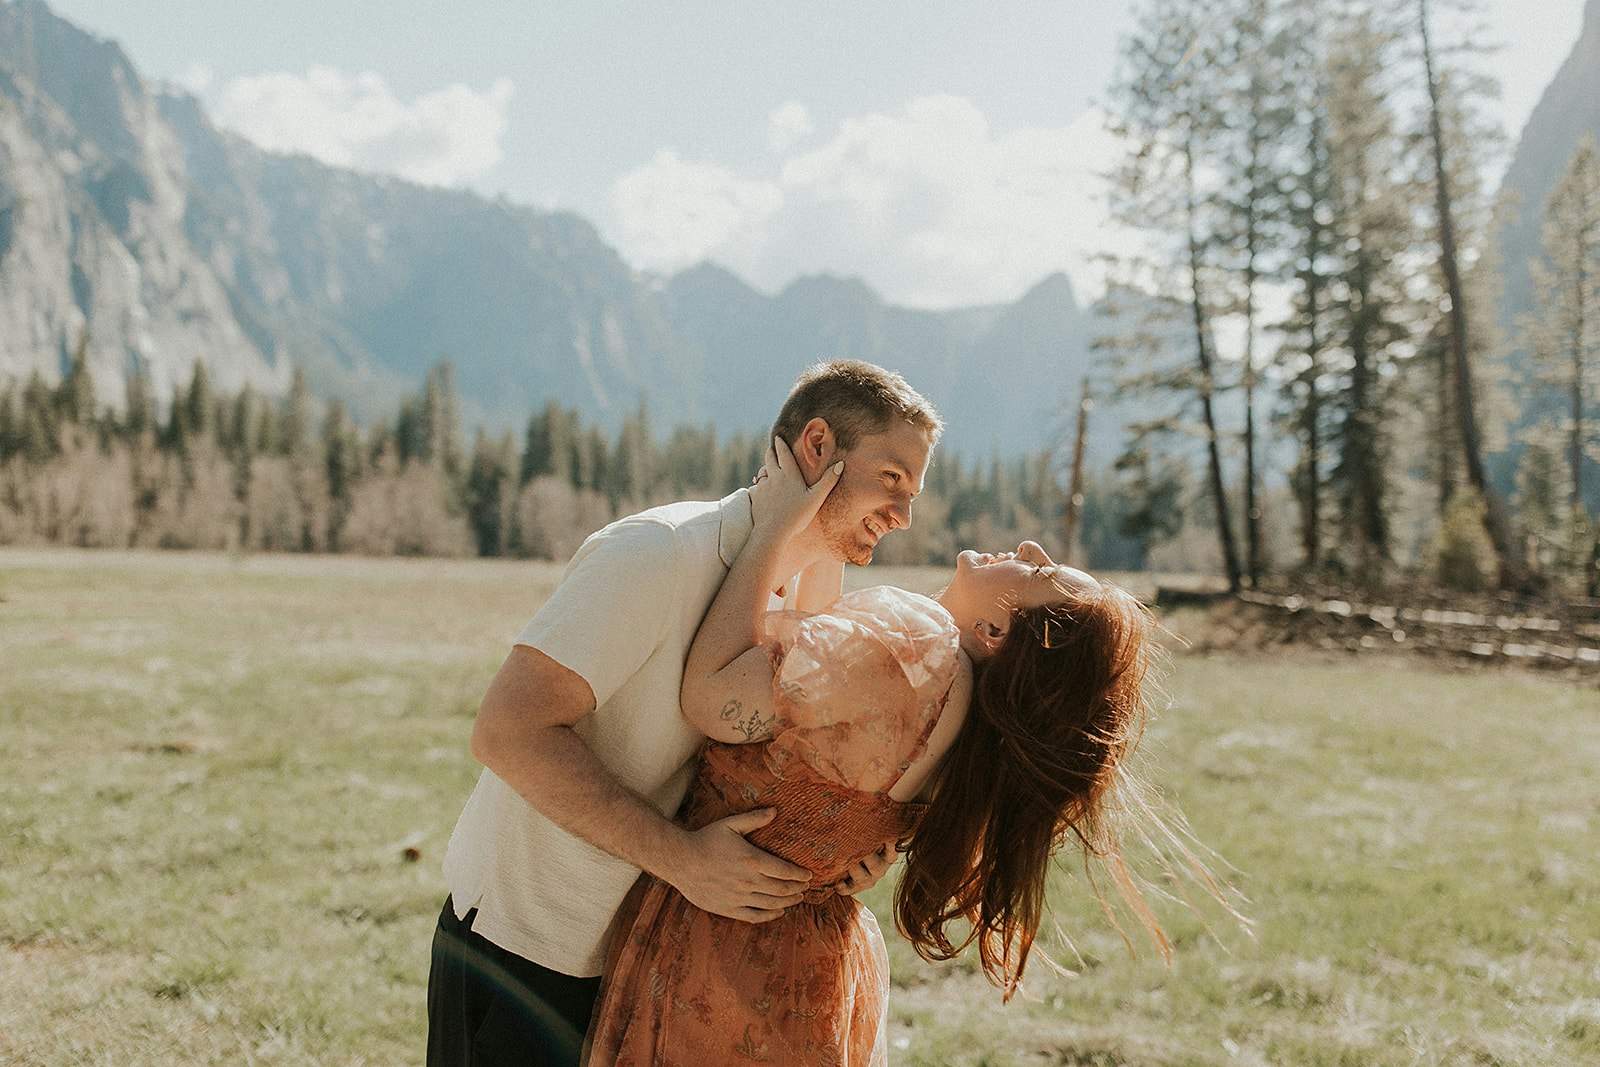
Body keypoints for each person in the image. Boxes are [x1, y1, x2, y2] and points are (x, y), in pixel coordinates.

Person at [584, 438, 1180, 1066]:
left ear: (998, 634)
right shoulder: (964, 721)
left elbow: (710, 697)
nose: (1030, 549)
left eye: (1038, 574)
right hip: (809, 957)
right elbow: (811, 679)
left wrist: (774, 528)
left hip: (722, 946)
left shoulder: (918, 648)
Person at [427, 360, 943, 1066]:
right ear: (817, 447)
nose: (905, 514)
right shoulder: (658, 554)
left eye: (913, 493)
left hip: (658, 968)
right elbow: (507, 730)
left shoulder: (815, 591)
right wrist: (682, 860)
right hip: (532, 951)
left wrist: (843, 856)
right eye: (891, 480)